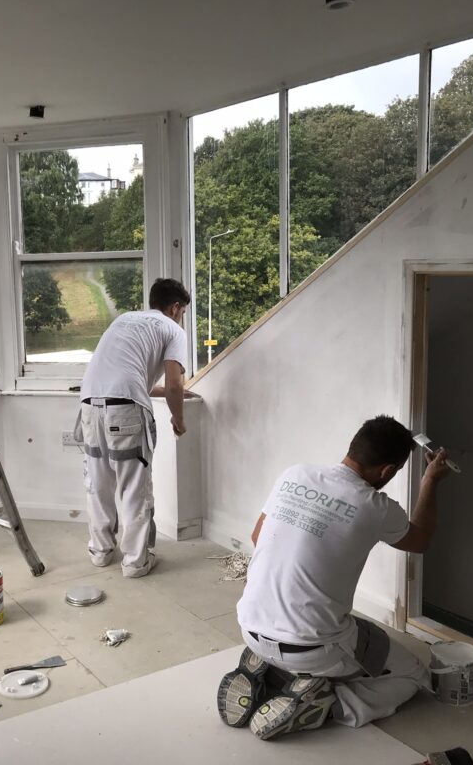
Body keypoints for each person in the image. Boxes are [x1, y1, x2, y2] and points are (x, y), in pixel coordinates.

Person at [216, 415, 451, 740]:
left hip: (250, 627)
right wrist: (430, 481)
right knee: (412, 675)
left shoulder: (295, 474)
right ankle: (325, 704)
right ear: (387, 471)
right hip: (311, 647)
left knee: (360, 632)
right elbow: (420, 540)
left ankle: (272, 674)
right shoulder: (376, 506)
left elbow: (258, 537)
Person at [75, 277, 192, 578]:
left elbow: (127, 377)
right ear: (175, 307)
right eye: (183, 312)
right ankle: (135, 562)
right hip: (125, 410)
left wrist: (166, 392)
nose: (181, 317)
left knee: (98, 482)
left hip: (89, 404)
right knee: (134, 486)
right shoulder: (172, 329)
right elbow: (174, 384)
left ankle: (100, 552)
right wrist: (178, 420)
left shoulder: (125, 319)